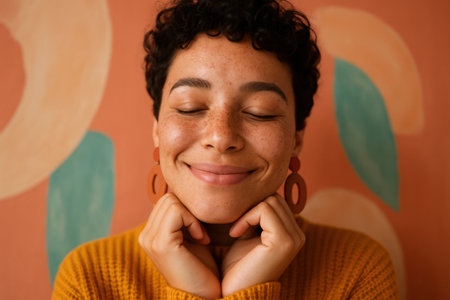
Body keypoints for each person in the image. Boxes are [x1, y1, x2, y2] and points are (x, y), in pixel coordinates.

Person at [52, 0, 400, 299]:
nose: (220, 137)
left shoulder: (358, 270)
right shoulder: (89, 278)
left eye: (258, 112)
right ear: (158, 130)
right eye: (190, 107)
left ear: (296, 137)